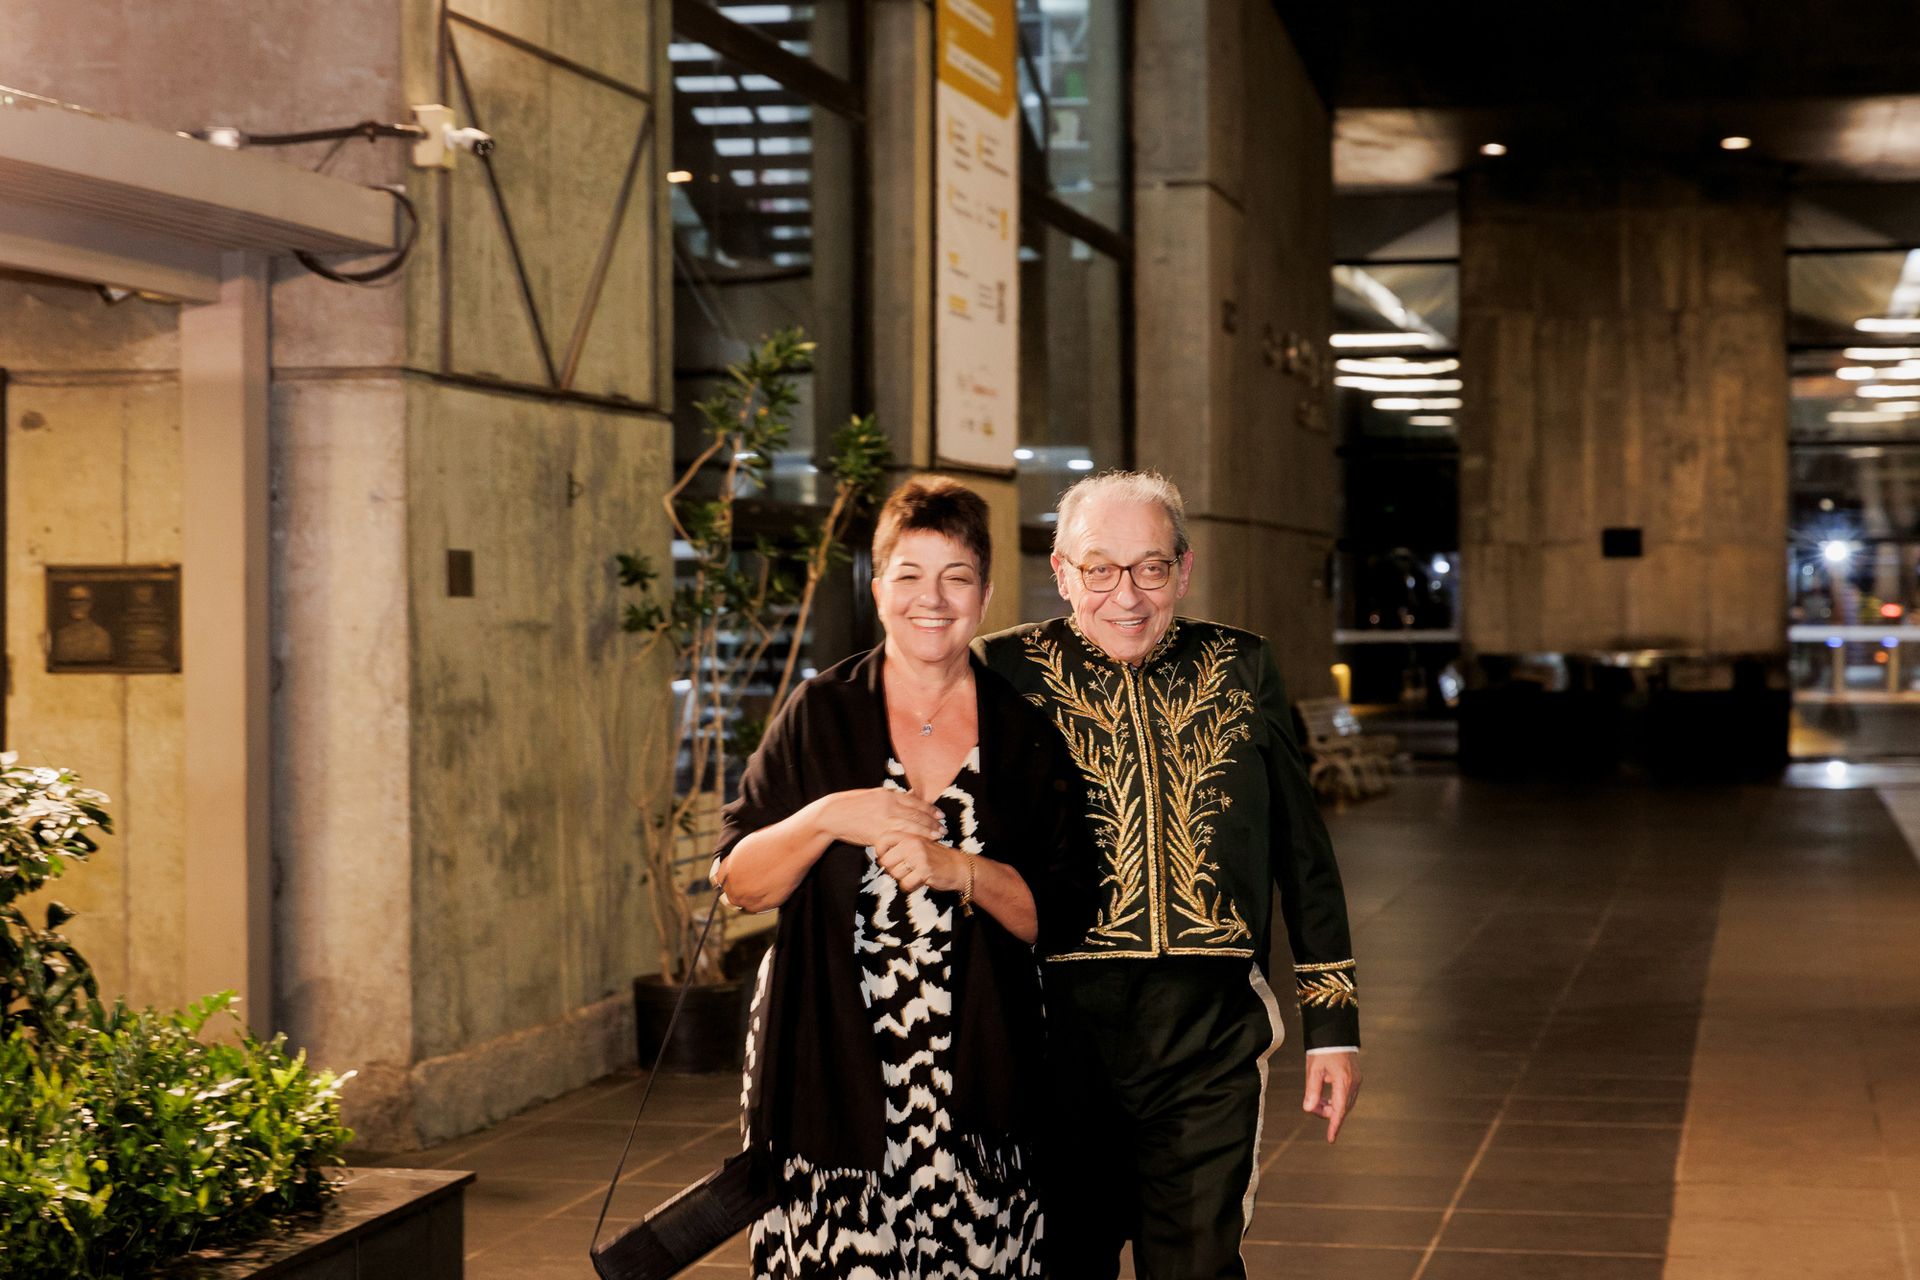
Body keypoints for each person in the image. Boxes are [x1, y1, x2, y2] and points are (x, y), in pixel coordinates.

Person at [978, 470, 1362, 1279]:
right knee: (1061, 1261)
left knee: (1197, 1265)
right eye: (1100, 569)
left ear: (1183, 570)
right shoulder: (1001, 674)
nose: (1128, 595)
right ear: (1061, 573)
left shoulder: (1244, 665)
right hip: (1056, 1039)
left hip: (1209, 1035)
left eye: (1151, 567)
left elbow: (1304, 855)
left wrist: (1334, 1028)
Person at [713, 476, 1095, 1279]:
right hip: (826, 1073)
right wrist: (825, 818)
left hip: (982, 1084)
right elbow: (742, 882)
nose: (933, 598)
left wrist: (961, 869)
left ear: (985, 594)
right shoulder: (817, 715)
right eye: (909, 575)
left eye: (956, 576)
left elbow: (1058, 914)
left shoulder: (1024, 734)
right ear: (878, 588)